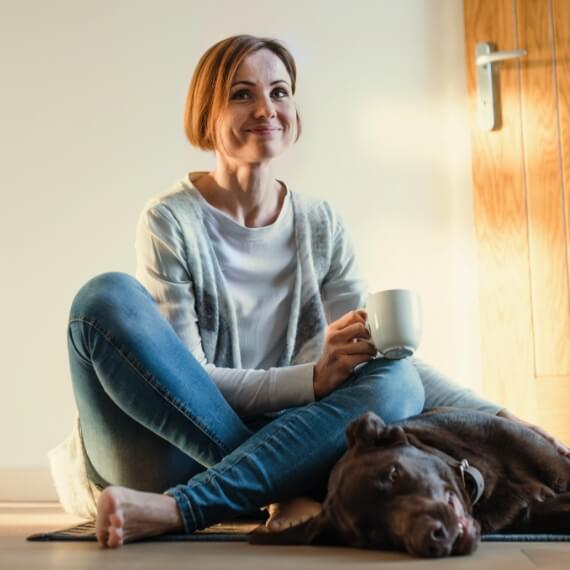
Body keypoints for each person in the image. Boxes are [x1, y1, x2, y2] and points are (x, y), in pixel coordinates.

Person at [52, 34, 570, 549]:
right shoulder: (170, 220)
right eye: (241, 94)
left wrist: (503, 420)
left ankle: (191, 505)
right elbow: (193, 382)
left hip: (286, 442)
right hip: (164, 451)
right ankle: (278, 488)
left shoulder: (321, 224)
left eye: (279, 92)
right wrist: (313, 381)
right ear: (205, 112)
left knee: (397, 378)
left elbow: (379, 360)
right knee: (103, 299)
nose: (266, 109)